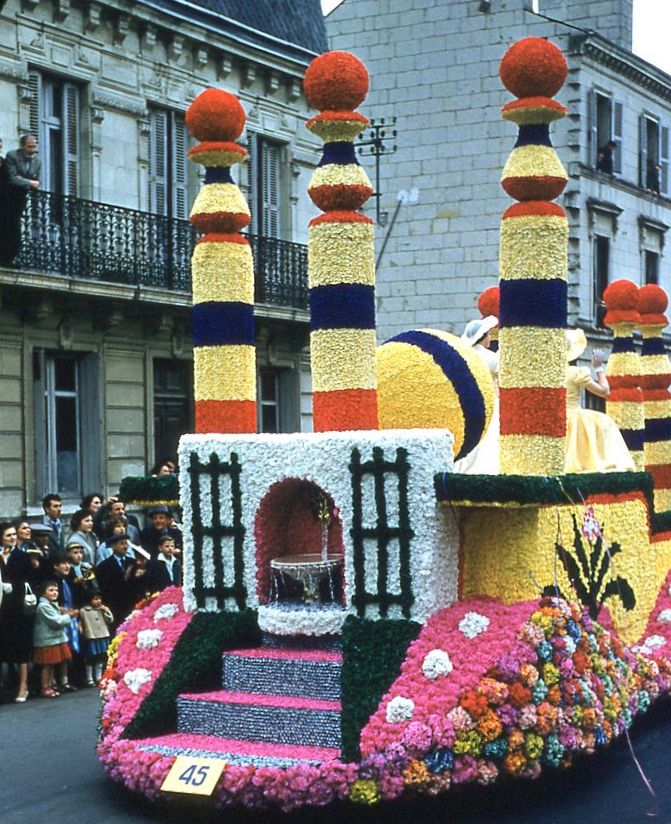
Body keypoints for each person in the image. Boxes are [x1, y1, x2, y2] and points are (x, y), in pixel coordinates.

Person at [565, 329, 635, 473]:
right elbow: (605, 391)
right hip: (574, 418)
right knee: (605, 422)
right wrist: (598, 369)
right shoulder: (574, 372)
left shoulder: (550, 374)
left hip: (557, 419)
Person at [454, 315, 500, 474]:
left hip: (468, 403)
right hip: (491, 403)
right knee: (490, 439)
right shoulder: (492, 357)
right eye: (489, 335)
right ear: (484, 337)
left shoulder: (464, 357)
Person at [0, 522, 34, 702]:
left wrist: (13, 587)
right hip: (2, 608)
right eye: (8, 535)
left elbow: (29, 581)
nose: (13, 538)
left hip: (19, 608)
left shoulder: (22, 556)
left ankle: (24, 686)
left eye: (14, 534)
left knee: (21, 649)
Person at [32, 579, 75, 699]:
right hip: (47, 639)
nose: (55, 592)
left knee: (53, 664)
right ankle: (45, 687)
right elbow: (55, 622)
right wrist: (68, 616)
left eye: (56, 590)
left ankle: (51, 685)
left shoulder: (52, 605)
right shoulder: (43, 607)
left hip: (54, 638)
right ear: (43, 593)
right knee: (47, 665)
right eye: (51, 590)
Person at [2, 134, 41, 264]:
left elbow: (36, 181)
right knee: (7, 226)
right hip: (8, 197)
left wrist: (23, 181)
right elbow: (12, 179)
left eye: (34, 146)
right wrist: (29, 182)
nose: (32, 150)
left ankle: (9, 257)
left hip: (21, 198)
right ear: (22, 146)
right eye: (29, 147)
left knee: (14, 229)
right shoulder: (12, 156)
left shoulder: (37, 161)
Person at [95, 533, 147, 630]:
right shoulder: (104, 566)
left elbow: (140, 585)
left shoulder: (133, 562)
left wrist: (138, 577)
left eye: (126, 543)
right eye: (122, 544)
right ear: (113, 546)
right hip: (116, 607)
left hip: (132, 606)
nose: (125, 547)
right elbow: (105, 589)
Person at [78, 589, 113, 686]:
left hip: (103, 635)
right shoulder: (84, 611)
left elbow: (110, 620)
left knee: (100, 657)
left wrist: (106, 611)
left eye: (99, 599)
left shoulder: (102, 609)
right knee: (90, 657)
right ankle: (89, 678)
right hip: (91, 636)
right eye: (95, 599)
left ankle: (98, 677)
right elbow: (80, 622)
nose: (98, 601)